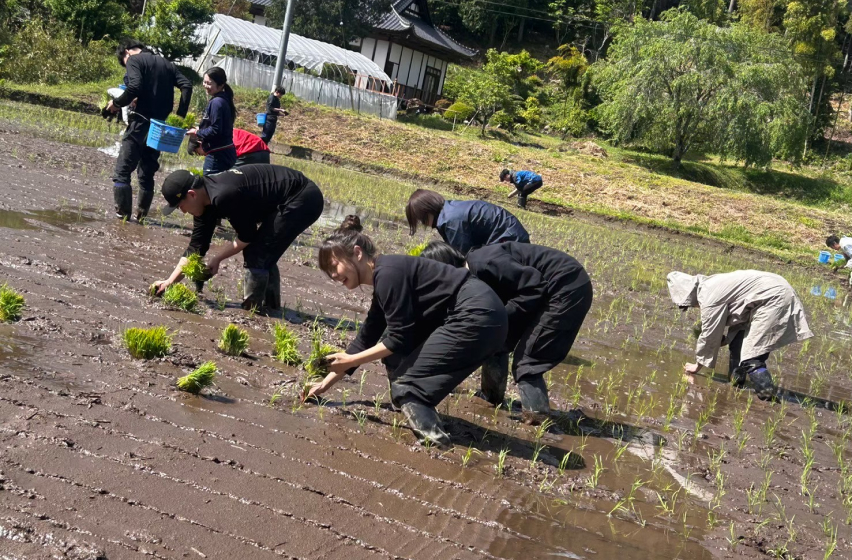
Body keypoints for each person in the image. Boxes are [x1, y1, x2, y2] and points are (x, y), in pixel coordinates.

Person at [305, 220, 508, 447]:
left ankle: (438, 446)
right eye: (328, 272)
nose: (333, 275)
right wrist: (323, 386)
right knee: (397, 360)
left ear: (357, 253)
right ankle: (408, 405)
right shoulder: (386, 276)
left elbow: (398, 337)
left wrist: (351, 360)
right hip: (485, 315)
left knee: (409, 385)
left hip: (477, 315)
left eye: (334, 266)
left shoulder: (388, 274)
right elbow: (365, 339)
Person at [421, 241, 593, 422]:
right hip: (548, 290)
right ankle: (491, 396)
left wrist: (499, 317)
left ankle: (537, 417)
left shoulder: (484, 263)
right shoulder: (474, 275)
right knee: (495, 340)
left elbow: (534, 286)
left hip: (566, 288)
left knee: (529, 359)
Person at [152, 165, 324, 310]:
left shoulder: (224, 195)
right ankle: (271, 306)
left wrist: (217, 258)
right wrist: (169, 282)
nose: (182, 211)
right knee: (263, 250)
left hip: (302, 197)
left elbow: (247, 236)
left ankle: (254, 310)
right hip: (285, 199)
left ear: (192, 194)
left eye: (181, 206)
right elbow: (196, 247)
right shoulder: (204, 204)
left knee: (257, 253)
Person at [667, 270, 813, 400]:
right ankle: (737, 382)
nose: (694, 307)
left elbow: (710, 335)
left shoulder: (708, 296)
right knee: (739, 342)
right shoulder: (710, 284)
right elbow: (738, 321)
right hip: (775, 290)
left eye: (690, 304)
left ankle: (768, 397)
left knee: (752, 355)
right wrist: (724, 340)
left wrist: (697, 366)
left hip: (774, 298)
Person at [107, 39, 193, 222]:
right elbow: (187, 85)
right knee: (146, 173)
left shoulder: (134, 60)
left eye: (124, 63)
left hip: (140, 124)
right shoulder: (166, 64)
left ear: (127, 52)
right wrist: (179, 117)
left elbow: (134, 86)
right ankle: (141, 215)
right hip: (159, 129)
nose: (127, 65)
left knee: (122, 172)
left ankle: (123, 216)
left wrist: (115, 104)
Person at [405, 189, 530, 255]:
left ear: (427, 211)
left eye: (421, 219)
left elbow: (463, 255)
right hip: (511, 235)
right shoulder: (450, 209)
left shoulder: (450, 220)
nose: (424, 224)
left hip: (510, 241)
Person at [187, 67, 237, 176]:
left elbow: (215, 130)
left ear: (221, 85)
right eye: (204, 82)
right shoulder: (222, 100)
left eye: (209, 83)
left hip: (218, 155)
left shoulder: (217, 103)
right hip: (224, 152)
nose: (205, 86)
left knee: (210, 187)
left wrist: (197, 133)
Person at [188, 128, 270, 167]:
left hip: (249, 153)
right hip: (263, 152)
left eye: (199, 153)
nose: (203, 155)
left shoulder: (211, 141)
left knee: (228, 178)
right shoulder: (213, 132)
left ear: (199, 142)